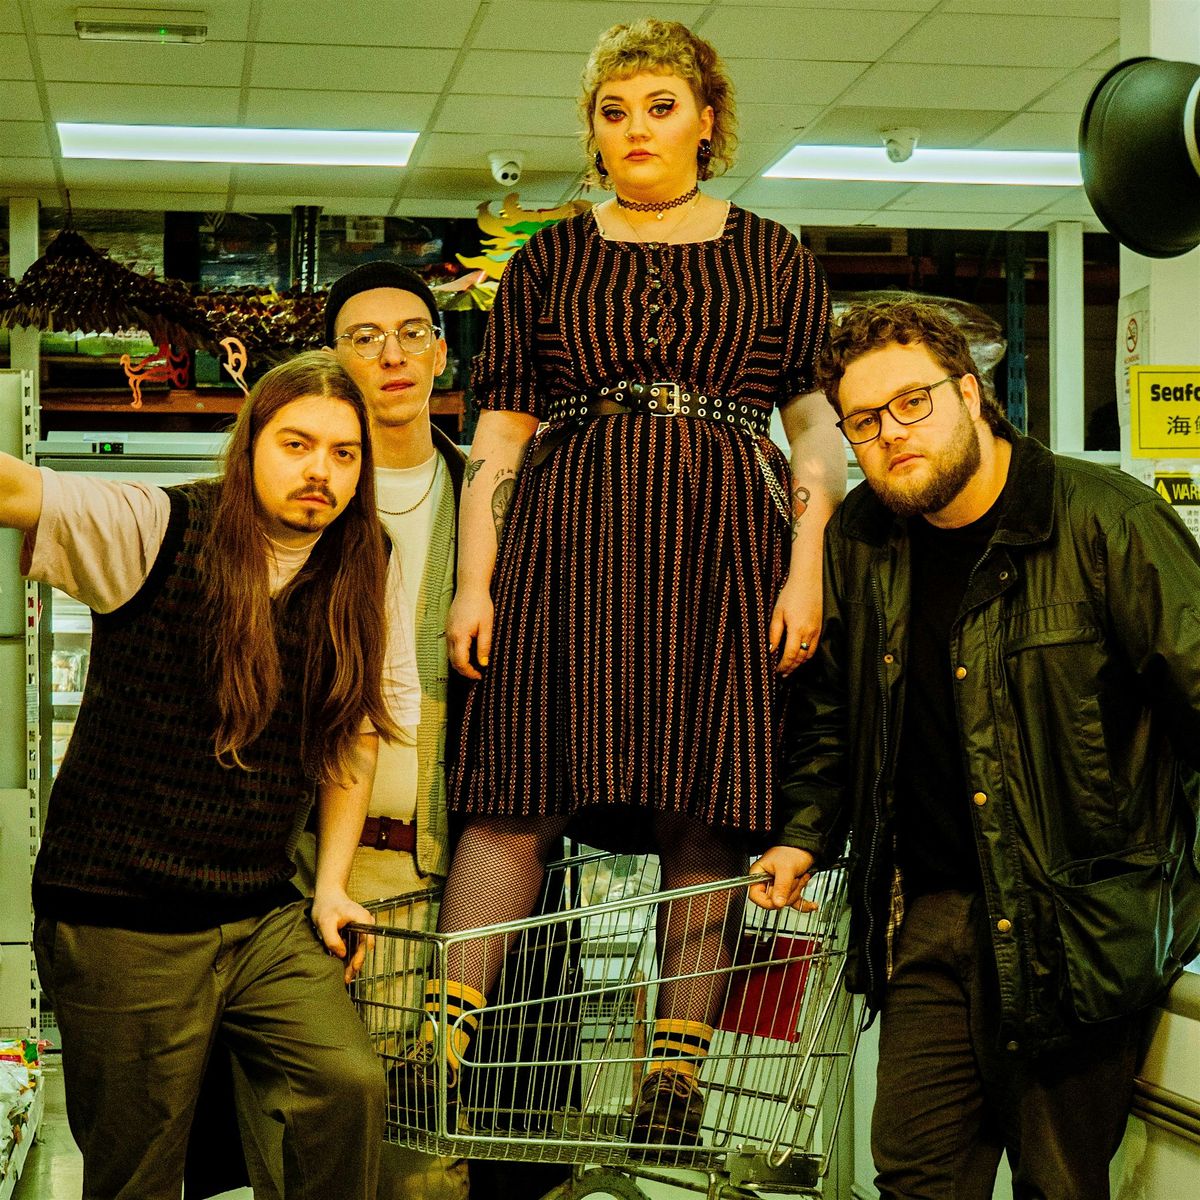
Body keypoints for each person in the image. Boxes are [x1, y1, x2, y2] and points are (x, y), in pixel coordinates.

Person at [430, 17, 845, 1150]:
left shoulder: (774, 251)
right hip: (566, 538)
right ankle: (439, 1053)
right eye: (613, 112)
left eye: (660, 106)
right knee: (514, 790)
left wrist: (807, 561)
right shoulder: (549, 260)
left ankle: (673, 1082)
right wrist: (476, 585)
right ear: (594, 132)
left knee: (705, 806)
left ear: (707, 119)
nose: (635, 129)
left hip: (727, 542)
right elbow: (500, 437)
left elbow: (813, 427)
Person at [754, 299, 1200, 1199]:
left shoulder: (1105, 521)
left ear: (970, 392)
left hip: (1074, 930)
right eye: (865, 422)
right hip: (927, 921)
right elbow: (835, 718)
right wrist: (804, 831)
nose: (891, 436)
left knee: (1058, 1185)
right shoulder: (865, 540)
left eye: (912, 402)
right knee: (915, 1179)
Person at [10, 352, 421, 1200]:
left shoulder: (365, 562)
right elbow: (19, 489)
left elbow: (351, 735)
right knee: (141, 1168)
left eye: (344, 453)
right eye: (297, 443)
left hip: (260, 911)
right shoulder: (158, 526)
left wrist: (332, 886)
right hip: (124, 919)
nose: (321, 471)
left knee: (348, 1085)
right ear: (251, 445)